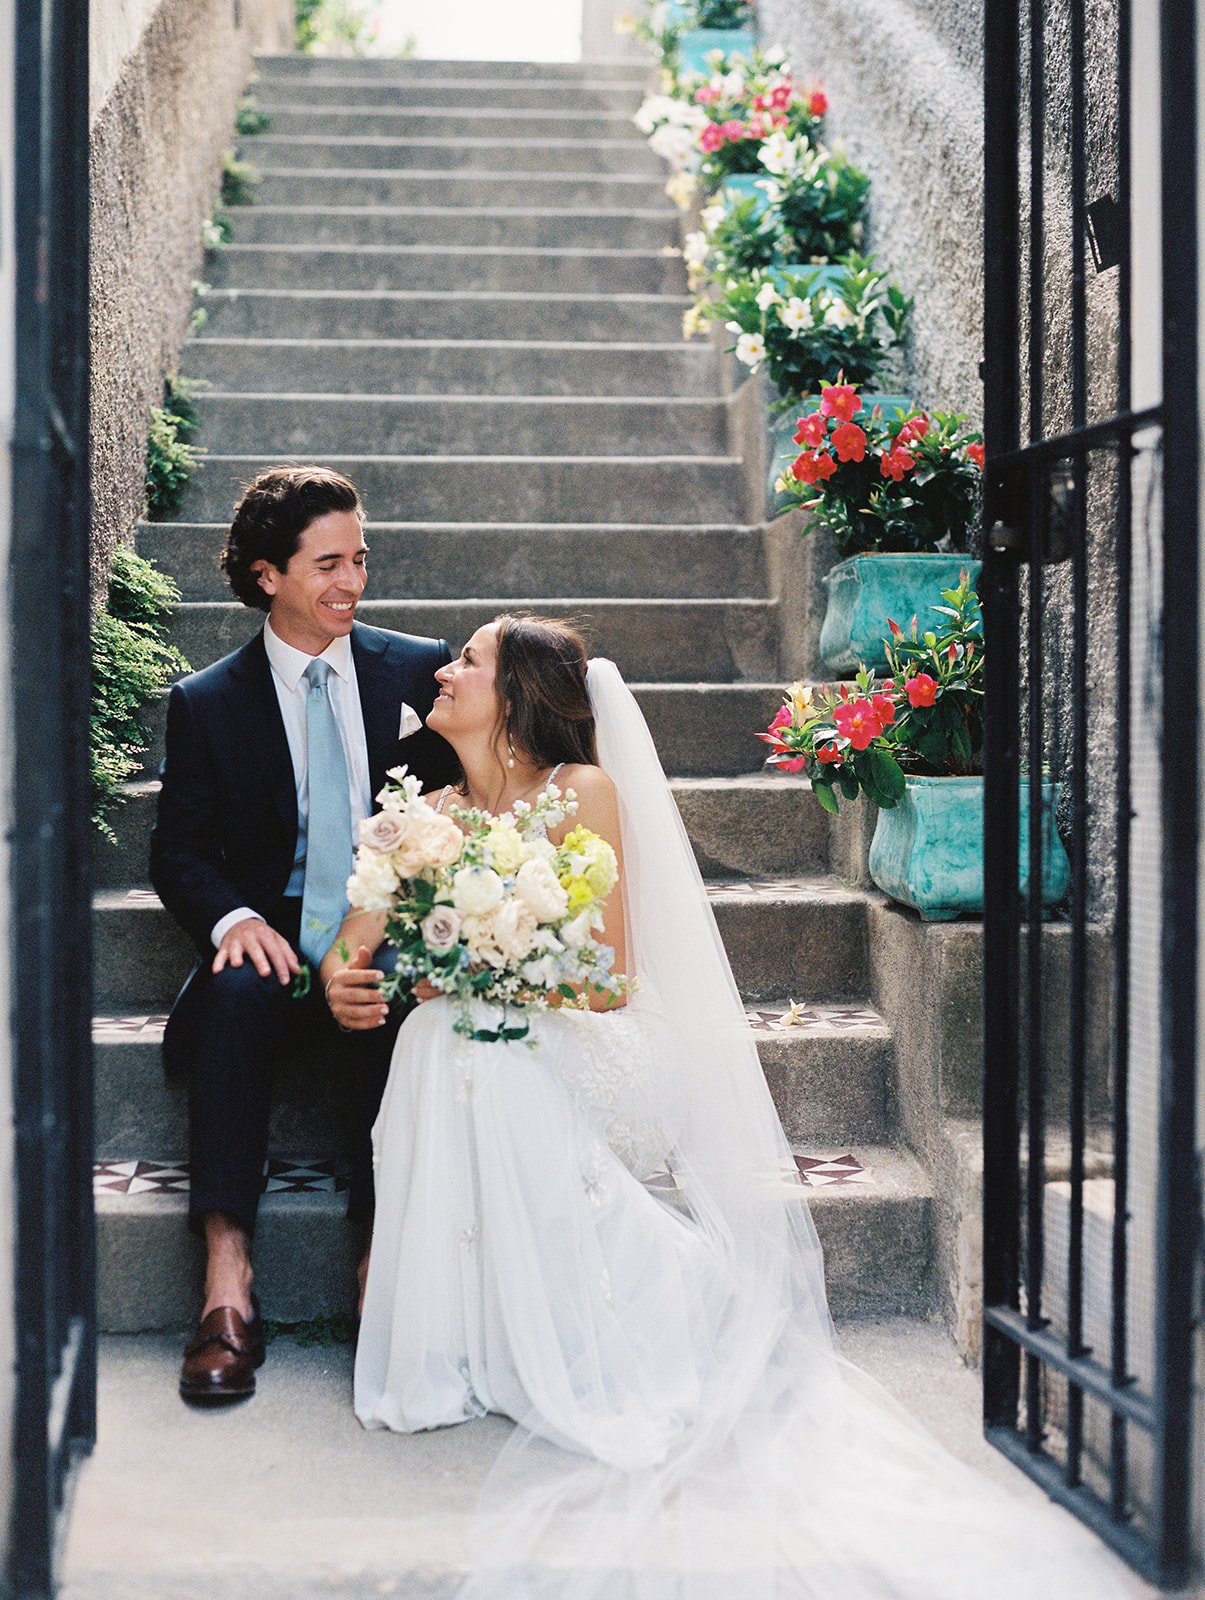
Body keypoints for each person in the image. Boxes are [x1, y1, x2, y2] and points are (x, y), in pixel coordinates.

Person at [324, 614, 1139, 1599]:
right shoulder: (421, 810)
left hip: (597, 1037)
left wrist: (478, 974)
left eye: (469, 660)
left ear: (518, 695)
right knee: (433, 1037)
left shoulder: (579, 791)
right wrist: (346, 981)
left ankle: (618, 1312)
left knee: (468, 1038)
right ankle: (468, 1334)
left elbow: (609, 977)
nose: (443, 672)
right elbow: (349, 946)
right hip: (493, 1030)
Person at [149, 463, 457, 1404]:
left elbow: (458, 806)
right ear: (265, 575)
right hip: (277, 946)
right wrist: (236, 920)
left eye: (360, 559)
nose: (352, 584)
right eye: (328, 563)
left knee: (392, 989)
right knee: (237, 988)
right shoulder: (207, 701)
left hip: (382, 927)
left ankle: (378, 1273)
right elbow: (179, 853)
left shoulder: (416, 668)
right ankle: (227, 1283)